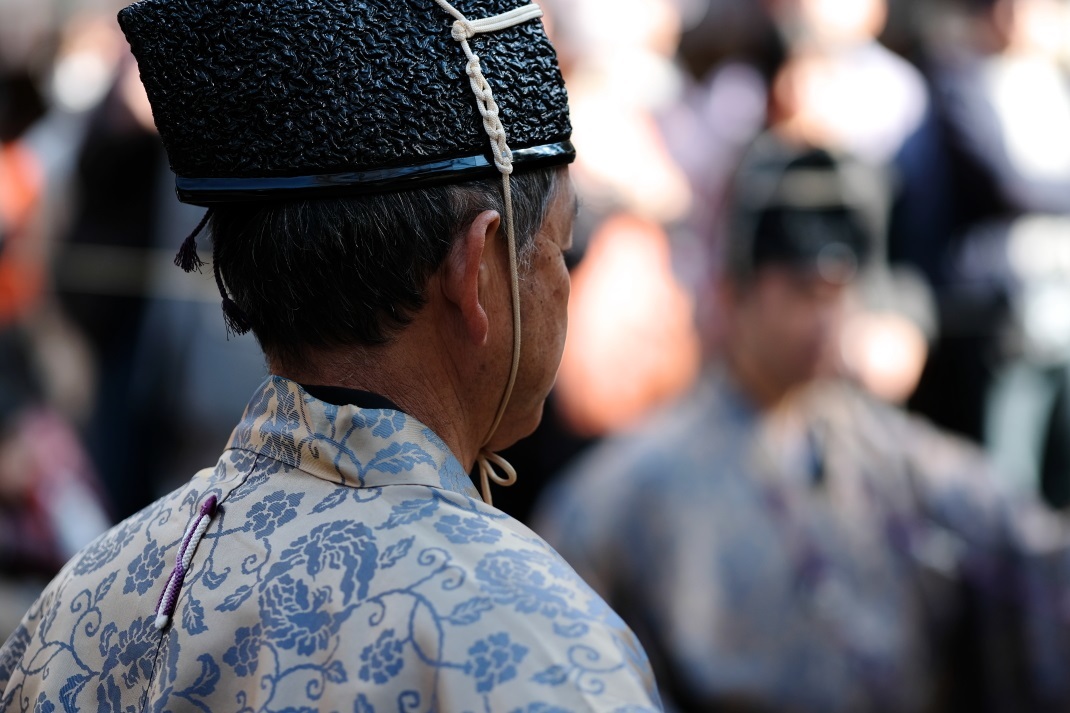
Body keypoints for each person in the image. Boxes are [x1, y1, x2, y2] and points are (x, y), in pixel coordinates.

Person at [0, 0, 662, 709]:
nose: (565, 282)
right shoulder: (540, 644)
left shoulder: (77, 607)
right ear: (476, 273)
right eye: (559, 249)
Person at [534, 140, 1070, 712]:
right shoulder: (624, 493)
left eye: (836, 294)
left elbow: (1021, 542)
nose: (824, 319)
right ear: (732, 292)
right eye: (801, 293)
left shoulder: (890, 453)